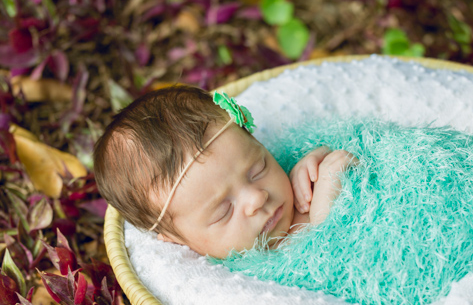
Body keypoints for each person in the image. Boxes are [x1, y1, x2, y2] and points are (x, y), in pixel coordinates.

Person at [93, 85, 358, 259]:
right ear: (178, 242)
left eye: (258, 169)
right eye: (223, 211)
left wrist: (314, 161)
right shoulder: (246, 279)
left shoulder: (291, 183)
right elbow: (325, 272)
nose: (256, 198)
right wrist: (325, 216)